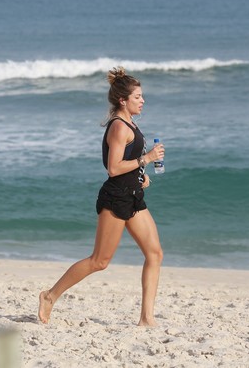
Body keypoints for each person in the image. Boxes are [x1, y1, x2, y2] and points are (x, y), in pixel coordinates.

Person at [38, 67, 165, 326]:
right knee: (99, 261)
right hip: (116, 198)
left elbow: (127, 163)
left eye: (142, 96)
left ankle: (146, 318)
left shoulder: (131, 122)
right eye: (138, 97)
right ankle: (49, 296)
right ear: (123, 100)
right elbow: (113, 168)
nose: (143, 101)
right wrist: (147, 158)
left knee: (155, 254)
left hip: (133, 196)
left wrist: (142, 173)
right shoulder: (119, 127)